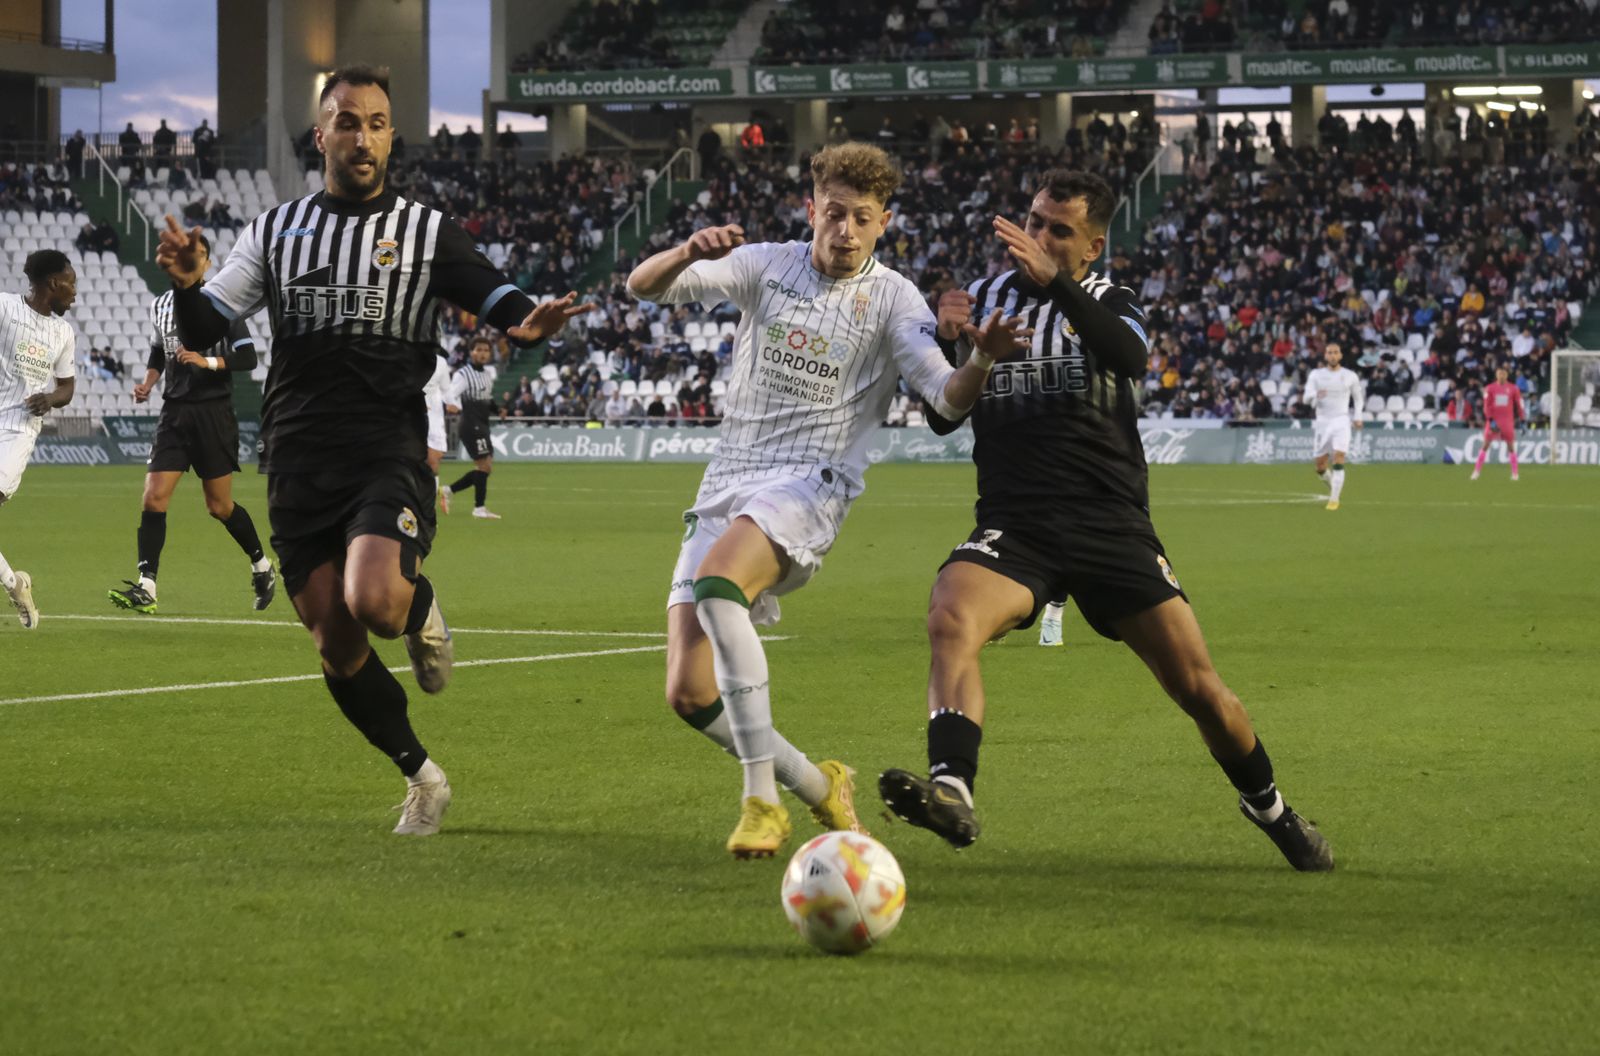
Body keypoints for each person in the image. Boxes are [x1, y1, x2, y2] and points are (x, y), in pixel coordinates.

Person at [154, 65, 591, 836]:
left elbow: (500, 299)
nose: (363, 137)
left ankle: (419, 608)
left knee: (376, 602)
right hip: (295, 457)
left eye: (378, 124)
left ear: (392, 138)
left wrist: (530, 324)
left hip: (385, 446)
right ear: (321, 135)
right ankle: (423, 777)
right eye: (348, 122)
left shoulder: (425, 231)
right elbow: (204, 326)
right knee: (337, 645)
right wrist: (190, 285)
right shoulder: (275, 230)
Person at [877, 170, 1333, 873]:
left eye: (1059, 230)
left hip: (1110, 524)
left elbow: (1129, 358)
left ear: (1091, 246)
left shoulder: (1109, 298)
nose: (1039, 237)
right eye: (1034, 220)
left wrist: (1055, 284)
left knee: (1199, 690)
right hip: (1016, 523)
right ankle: (952, 789)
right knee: (950, 615)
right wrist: (960, 346)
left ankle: (1271, 809)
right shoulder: (984, 299)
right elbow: (943, 418)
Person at [625, 142, 1028, 859]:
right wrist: (687, 251)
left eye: (862, 218)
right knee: (688, 693)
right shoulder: (765, 265)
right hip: (727, 481)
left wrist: (982, 356)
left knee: (718, 587)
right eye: (834, 214)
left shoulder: (895, 299)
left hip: (811, 484)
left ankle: (760, 801)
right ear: (811, 209)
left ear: (884, 223)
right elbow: (643, 287)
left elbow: (946, 398)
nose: (845, 231)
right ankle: (820, 785)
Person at [107, 233, 275, 616]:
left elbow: (248, 358)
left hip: (213, 414)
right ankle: (147, 585)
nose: (190, 260)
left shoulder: (223, 305)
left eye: (197, 255)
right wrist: (148, 382)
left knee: (219, 506)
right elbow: (158, 349)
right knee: (153, 497)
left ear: (207, 265)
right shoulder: (161, 305)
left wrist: (207, 361)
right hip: (174, 412)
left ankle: (262, 565)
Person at [0, 250, 78, 628]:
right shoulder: (4, 308)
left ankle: (14, 584)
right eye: (71, 284)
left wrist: (49, 399)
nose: (75, 293)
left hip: (18, 430)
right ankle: (15, 584)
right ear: (53, 283)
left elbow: (67, 388)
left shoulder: (63, 333)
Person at [443, 336, 500, 519]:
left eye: (486, 350)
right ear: (471, 352)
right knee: (483, 465)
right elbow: (450, 393)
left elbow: (488, 398)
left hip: (482, 423)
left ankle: (448, 490)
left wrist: (499, 409)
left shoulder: (487, 374)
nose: (483, 354)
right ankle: (479, 508)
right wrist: (452, 405)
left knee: (486, 467)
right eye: (479, 350)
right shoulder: (463, 374)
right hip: (470, 423)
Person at [1302, 342, 1363, 510]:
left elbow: (1358, 398)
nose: (1333, 355)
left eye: (1336, 352)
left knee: (1339, 457)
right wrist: (1316, 394)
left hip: (1341, 420)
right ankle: (1334, 486)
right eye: (1330, 352)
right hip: (1322, 422)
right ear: (1325, 356)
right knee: (1320, 466)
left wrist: (1358, 416)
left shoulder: (1350, 375)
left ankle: (1334, 499)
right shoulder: (1316, 375)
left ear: (1340, 355)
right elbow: (1305, 399)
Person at [1472, 366, 1525, 481]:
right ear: (1496, 375)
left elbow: (1519, 405)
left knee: (1511, 447)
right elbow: (1486, 406)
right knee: (1485, 445)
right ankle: (1476, 471)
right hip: (1493, 421)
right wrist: (1490, 420)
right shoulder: (1490, 388)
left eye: (1503, 373)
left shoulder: (1513, 388)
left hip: (1507, 422)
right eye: (1499, 373)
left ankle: (1515, 473)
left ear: (1507, 375)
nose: (1501, 376)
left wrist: (1522, 420)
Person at [422, 352, 452, 513]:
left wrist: (452, 403)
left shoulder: (441, 362)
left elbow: (447, 389)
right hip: (409, 413)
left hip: (434, 415)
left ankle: (429, 508)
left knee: (433, 459)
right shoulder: (406, 355)